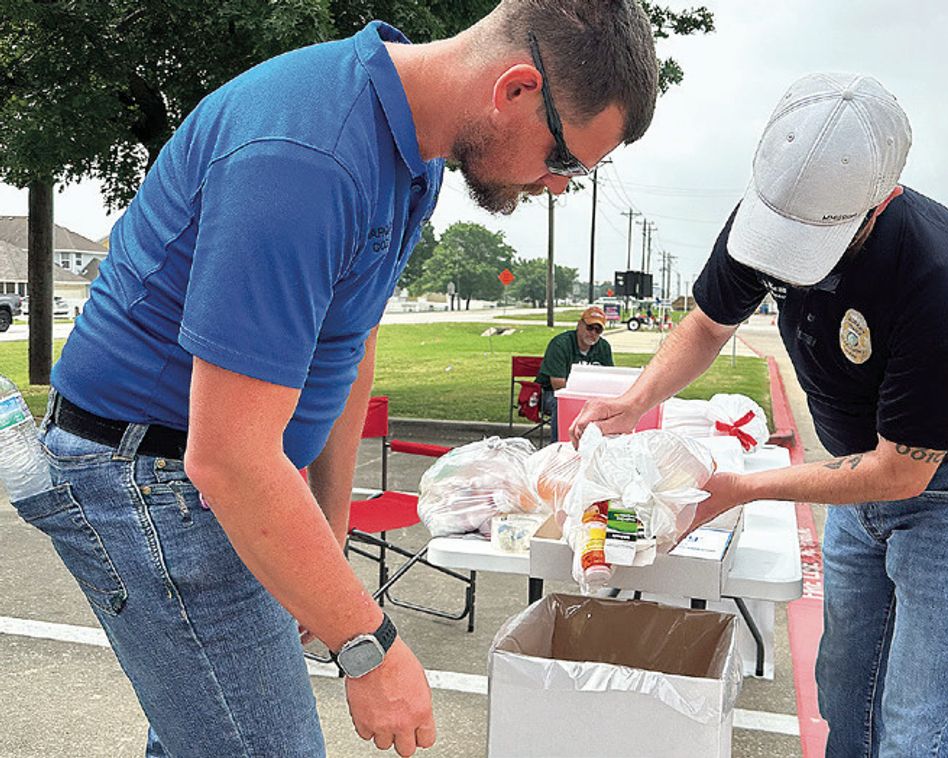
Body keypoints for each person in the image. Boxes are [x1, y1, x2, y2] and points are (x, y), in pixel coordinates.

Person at [14, 3, 658, 756]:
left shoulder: (412, 147)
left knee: (205, 736)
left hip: (216, 470)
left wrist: (329, 522)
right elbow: (226, 457)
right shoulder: (306, 156)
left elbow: (349, 340)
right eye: (567, 160)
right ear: (516, 90)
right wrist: (370, 646)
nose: (557, 185)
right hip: (148, 474)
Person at [571, 73, 948, 757]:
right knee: (845, 694)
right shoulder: (773, 213)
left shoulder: (947, 282)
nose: (790, 269)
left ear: (881, 197)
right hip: (861, 478)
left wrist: (738, 490)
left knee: (918, 725)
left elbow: (899, 473)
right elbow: (706, 325)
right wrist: (634, 399)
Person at [536, 305, 614, 441]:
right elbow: (558, 386)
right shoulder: (560, 344)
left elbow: (609, 380)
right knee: (559, 403)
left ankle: (600, 450)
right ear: (579, 325)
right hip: (551, 394)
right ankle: (559, 447)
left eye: (598, 329)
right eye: (590, 327)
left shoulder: (604, 347)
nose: (593, 333)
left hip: (590, 397)